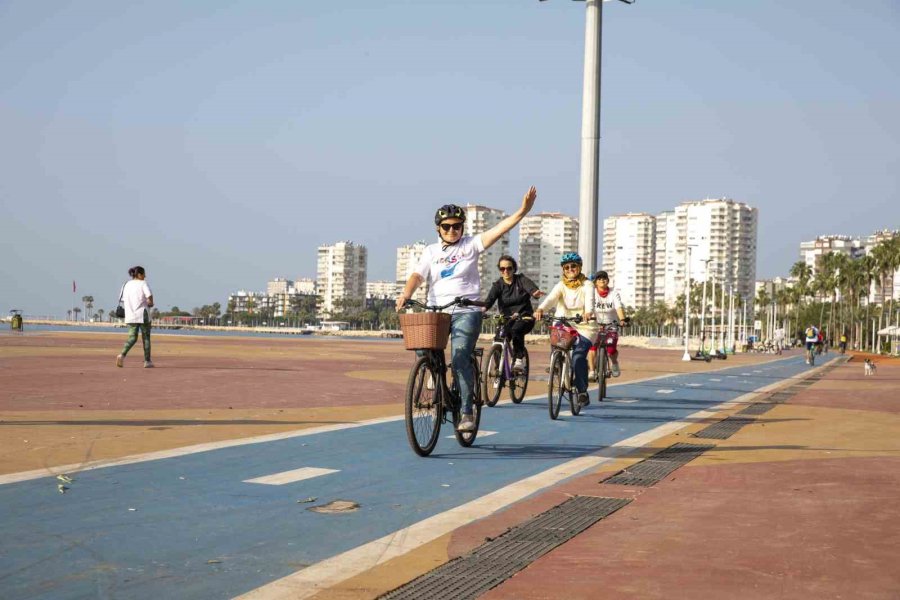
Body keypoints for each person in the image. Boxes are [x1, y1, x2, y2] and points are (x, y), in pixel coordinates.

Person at [396, 187, 537, 432]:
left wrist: (523, 210)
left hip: (466, 309)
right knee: (422, 349)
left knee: (460, 356)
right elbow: (418, 275)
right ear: (438, 229)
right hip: (437, 310)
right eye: (447, 226)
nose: (452, 231)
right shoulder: (430, 251)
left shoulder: (471, 244)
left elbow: (501, 228)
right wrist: (405, 295)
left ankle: (466, 411)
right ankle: (433, 372)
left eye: (457, 226)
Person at [534, 252, 596, 407]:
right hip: (564, 322)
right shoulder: (561, 285)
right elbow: (551, 299)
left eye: (573, 266)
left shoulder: (587, 284)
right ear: (563, 269)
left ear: (579, 267)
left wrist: (588, 312)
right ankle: (556, 362)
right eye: (566, 267)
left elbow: (590, 299)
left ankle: (582, 391)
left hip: (584, 326)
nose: (570, 269)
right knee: (556, 343)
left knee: (578, 357)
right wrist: (541, 309)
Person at [482, 255, 543, 371]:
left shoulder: (521, 280)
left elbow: (531, 288)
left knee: (516, 330)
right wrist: (482, 310)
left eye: (509, 268)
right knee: (498, 340)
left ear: (514, 269)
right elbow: (489, 301)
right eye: (502, 269)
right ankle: (499, 370)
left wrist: (535, 292)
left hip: (524, 317)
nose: (506, 271)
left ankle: (519, 359)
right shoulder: (498, 285)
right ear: (500, 270)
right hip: (506, 319)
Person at [588, 270, 628, 379]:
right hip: (595, 324)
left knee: (611, 349)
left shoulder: (613, 293)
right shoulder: (592, 293)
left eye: (604, 278)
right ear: (595, 282)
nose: (602, 281)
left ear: (608, 281)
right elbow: (588, 307)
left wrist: (622, 319)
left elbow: (618, 307)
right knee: (592, 347)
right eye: (599, 279)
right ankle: (592, 371)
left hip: (611, 324)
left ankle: (614, 363)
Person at [116, 266, 155, 368]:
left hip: (130, 315)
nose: (145, 276)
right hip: (143, 314)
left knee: (132, 337)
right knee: (146, 338)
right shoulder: (143, 283)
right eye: (143, 274)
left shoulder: (125, 284)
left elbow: (123, 299)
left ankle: (122, 355)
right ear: (139, 274)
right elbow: (150, 298)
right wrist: (150, 303)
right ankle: (147, 361)